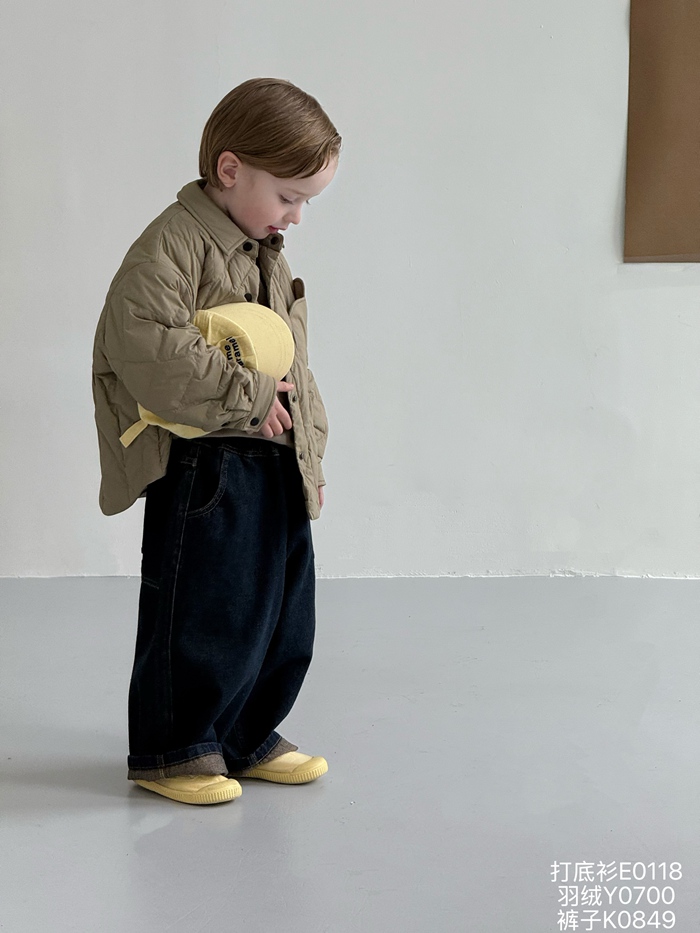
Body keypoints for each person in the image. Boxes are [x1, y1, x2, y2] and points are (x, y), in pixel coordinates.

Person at [92, 78, 341, 805]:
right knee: (206, 608)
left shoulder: (266, 251)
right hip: (206, 462)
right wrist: (250, 397)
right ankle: (174, 749)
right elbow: (144, 345)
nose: (296, 216)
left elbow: (294, 362)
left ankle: (246, 734)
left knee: (281, 611)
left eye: (306, 202)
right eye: (289, 196)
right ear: (231, 170)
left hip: (273, 460)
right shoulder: (172, 244)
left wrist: (310, 454)